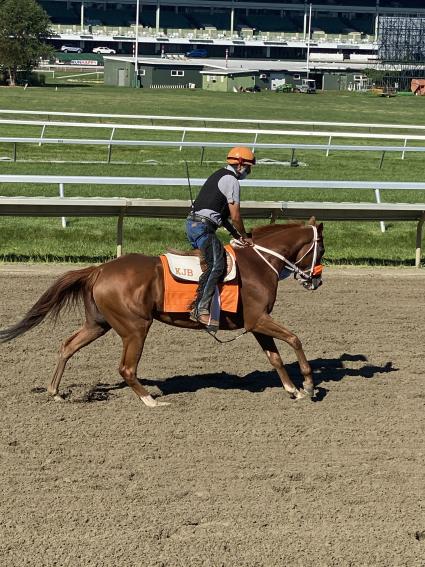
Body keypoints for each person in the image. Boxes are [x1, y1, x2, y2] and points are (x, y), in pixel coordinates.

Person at [186, 146, 255, 329]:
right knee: (217, 264)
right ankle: (200, 309)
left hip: (195, 225)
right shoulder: (231, 180)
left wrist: (235, 235)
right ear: (240, 165)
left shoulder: (219, 174)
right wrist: (244, 235)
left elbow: (223, 217)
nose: (249, 171)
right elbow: (236, 216)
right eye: (248, 167)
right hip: (202, 227)